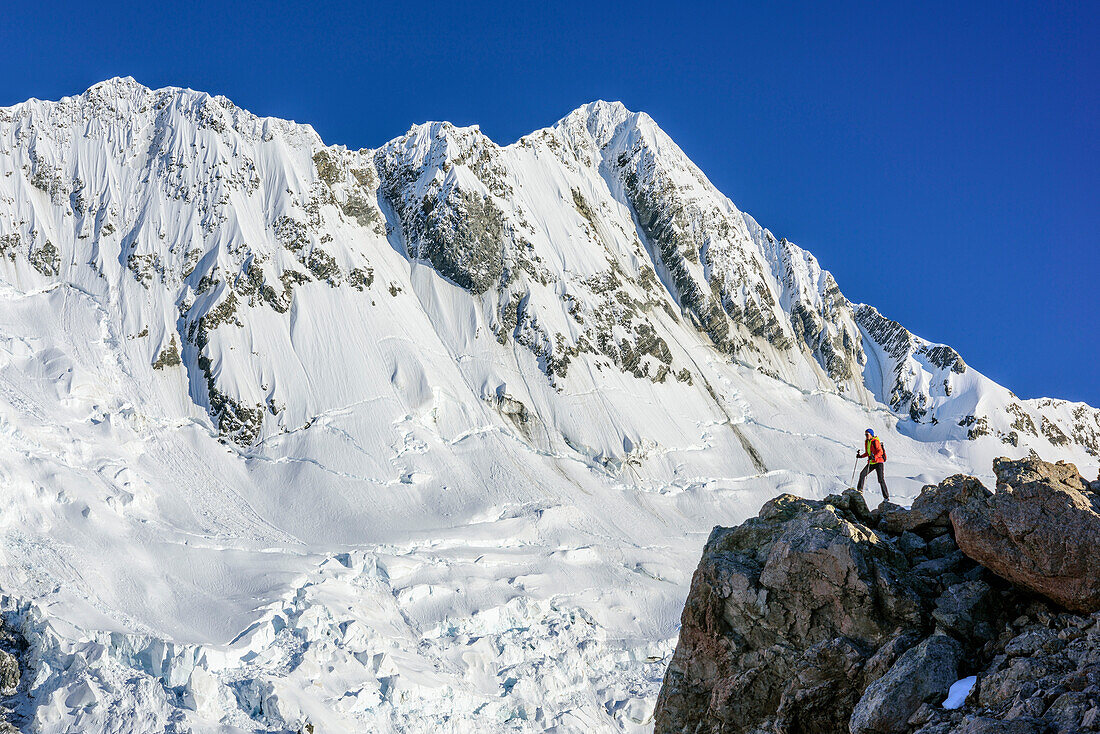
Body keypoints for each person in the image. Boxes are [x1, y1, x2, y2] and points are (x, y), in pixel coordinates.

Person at [856, 428, 889, 500]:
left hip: (878, 462)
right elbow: (868, 453)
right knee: (862, 474)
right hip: (871, 462)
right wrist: (860, 456)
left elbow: (880, 452)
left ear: (871, 434)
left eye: (867, 434)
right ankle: (859, 491)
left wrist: (874, 456)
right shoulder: (867, 442)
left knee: (880, 480)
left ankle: (886, 497)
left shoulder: (875, 441)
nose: (866, 436)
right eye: (865, 434)